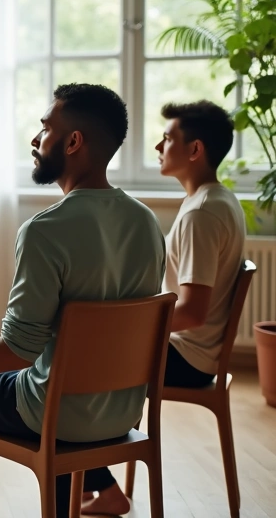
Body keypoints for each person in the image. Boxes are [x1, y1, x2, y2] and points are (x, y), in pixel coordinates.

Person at [0, 83, 166, 518]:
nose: (36, 140)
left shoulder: (44, 231)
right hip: (121, 414)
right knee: (53, 378)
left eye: (45, 128)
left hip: (54, 416)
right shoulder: (146, 222)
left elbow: (19, 349)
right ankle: (92, 489)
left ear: (73, 142)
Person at [81, 100, 245, 516]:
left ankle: (100, 486)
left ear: (195, 150)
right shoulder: (220, 200)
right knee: (81, 354)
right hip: (195, 351)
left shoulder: (202, 214)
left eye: (168, 138)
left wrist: (125, 328)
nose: (158, 144)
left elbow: (192, 312)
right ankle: (83, 479)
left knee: (74, 364)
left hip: (188, 357)